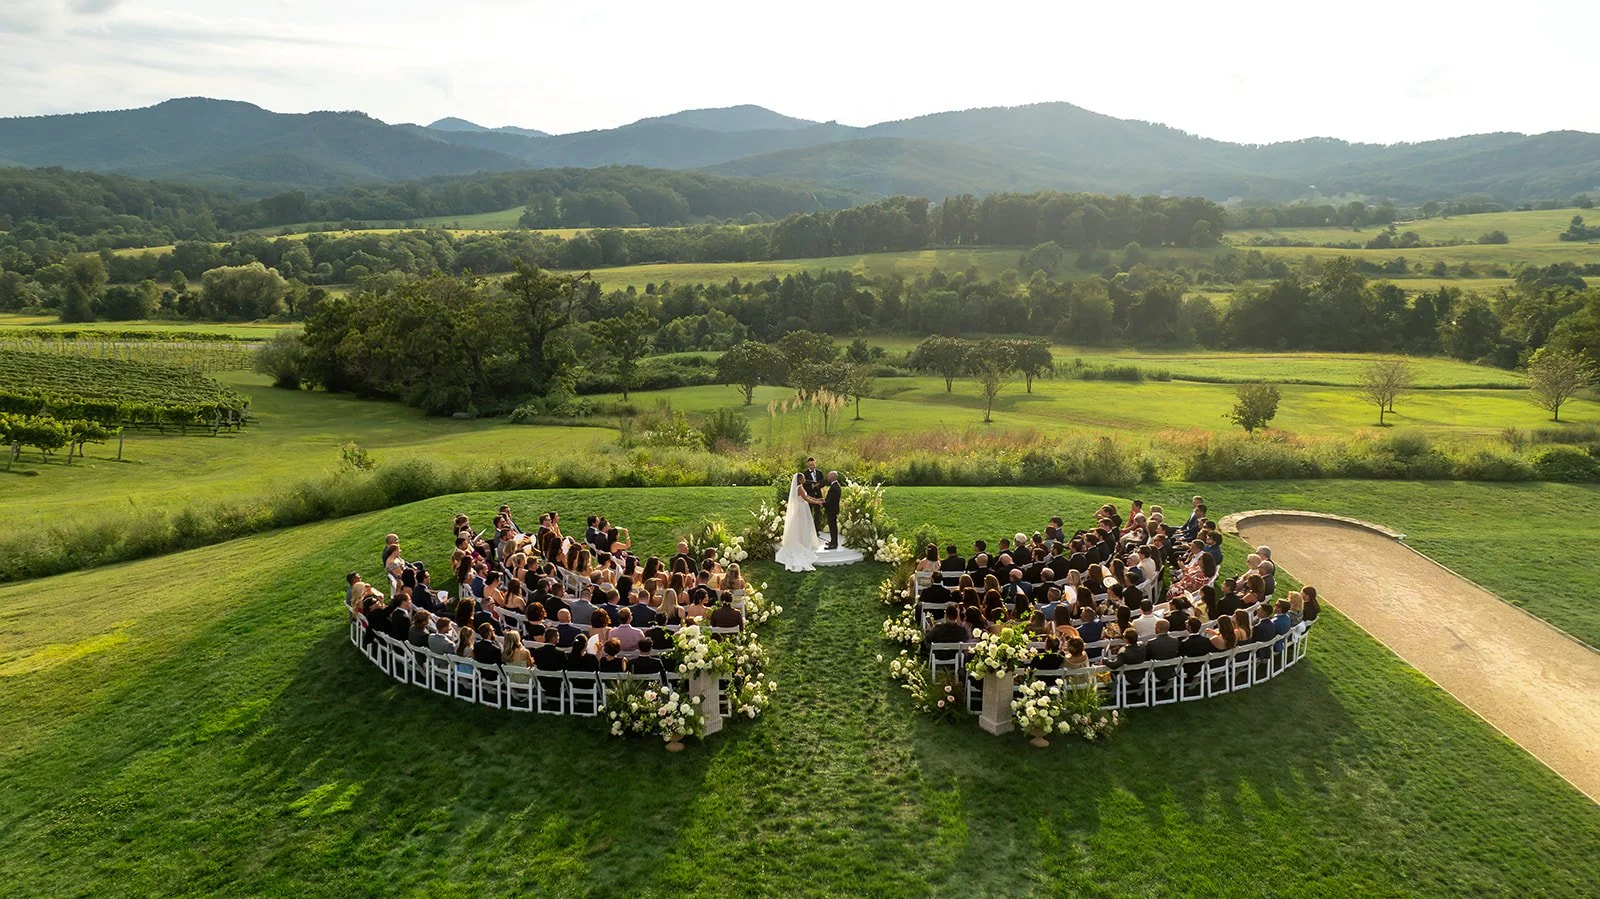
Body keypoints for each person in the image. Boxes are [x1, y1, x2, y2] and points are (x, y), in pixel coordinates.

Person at [776, 471, 824, 572]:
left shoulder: (799, 488)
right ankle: (803, 542)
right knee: (803, 526)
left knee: (803, 526)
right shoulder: (800, 488)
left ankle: (803, 540)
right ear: (799, 480)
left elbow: (807, 497)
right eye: (803, 478)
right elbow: (806, 498)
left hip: (802, 508)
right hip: (801, 510)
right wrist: (817, 502)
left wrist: (817, 499)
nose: (805, 479)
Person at [822, 471, 843, 549]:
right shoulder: (835, 485)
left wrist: (823, 503)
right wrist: (824, 500)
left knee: (833, 527)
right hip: (832, 510)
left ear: (832, 477)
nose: (827, 477)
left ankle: (834, 544)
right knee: (832, 527)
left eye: (828, 476)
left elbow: (830, 501)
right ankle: (833, 541)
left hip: (832, 510)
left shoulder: (834, 487)